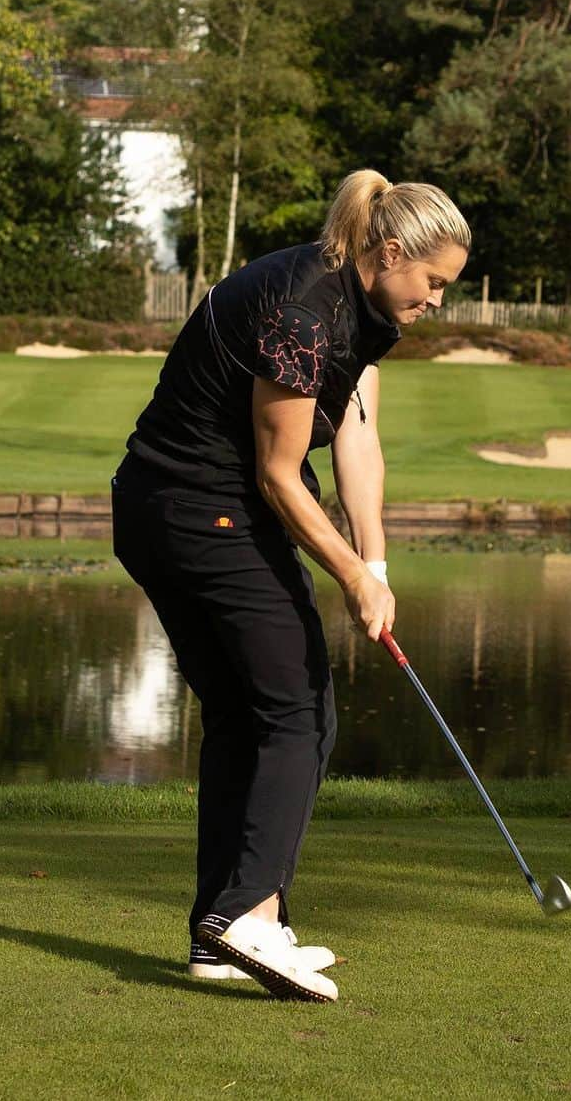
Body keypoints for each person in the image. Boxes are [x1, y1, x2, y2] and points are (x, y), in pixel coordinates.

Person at [111, 168, 470, 1003]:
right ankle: (251, 917)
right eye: (434, 283)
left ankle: (219, 930)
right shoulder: (307, 306)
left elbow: (355, 440)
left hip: (185, 507)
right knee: (298, 707)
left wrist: (374, 565)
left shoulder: (365, 307)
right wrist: (346, 573)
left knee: (249, 711)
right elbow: (279, 474)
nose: (439, 301)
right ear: (389, 253)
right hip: (196, 508)